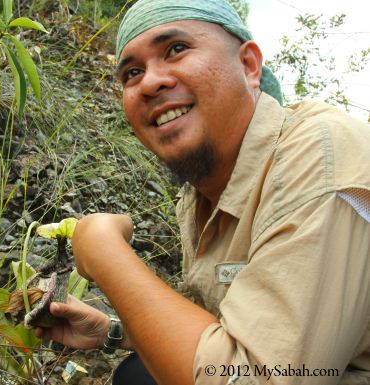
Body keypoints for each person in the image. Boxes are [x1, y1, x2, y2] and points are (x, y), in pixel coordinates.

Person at [35, 1, 370, 384]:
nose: (150, 82)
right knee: (137, 376)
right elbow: (222, 331)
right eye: (132, 72)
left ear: (249, 65)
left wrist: (105, 254)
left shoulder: (322, 156)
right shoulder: (200, 194)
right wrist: (114, 329)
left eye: (176, 49)